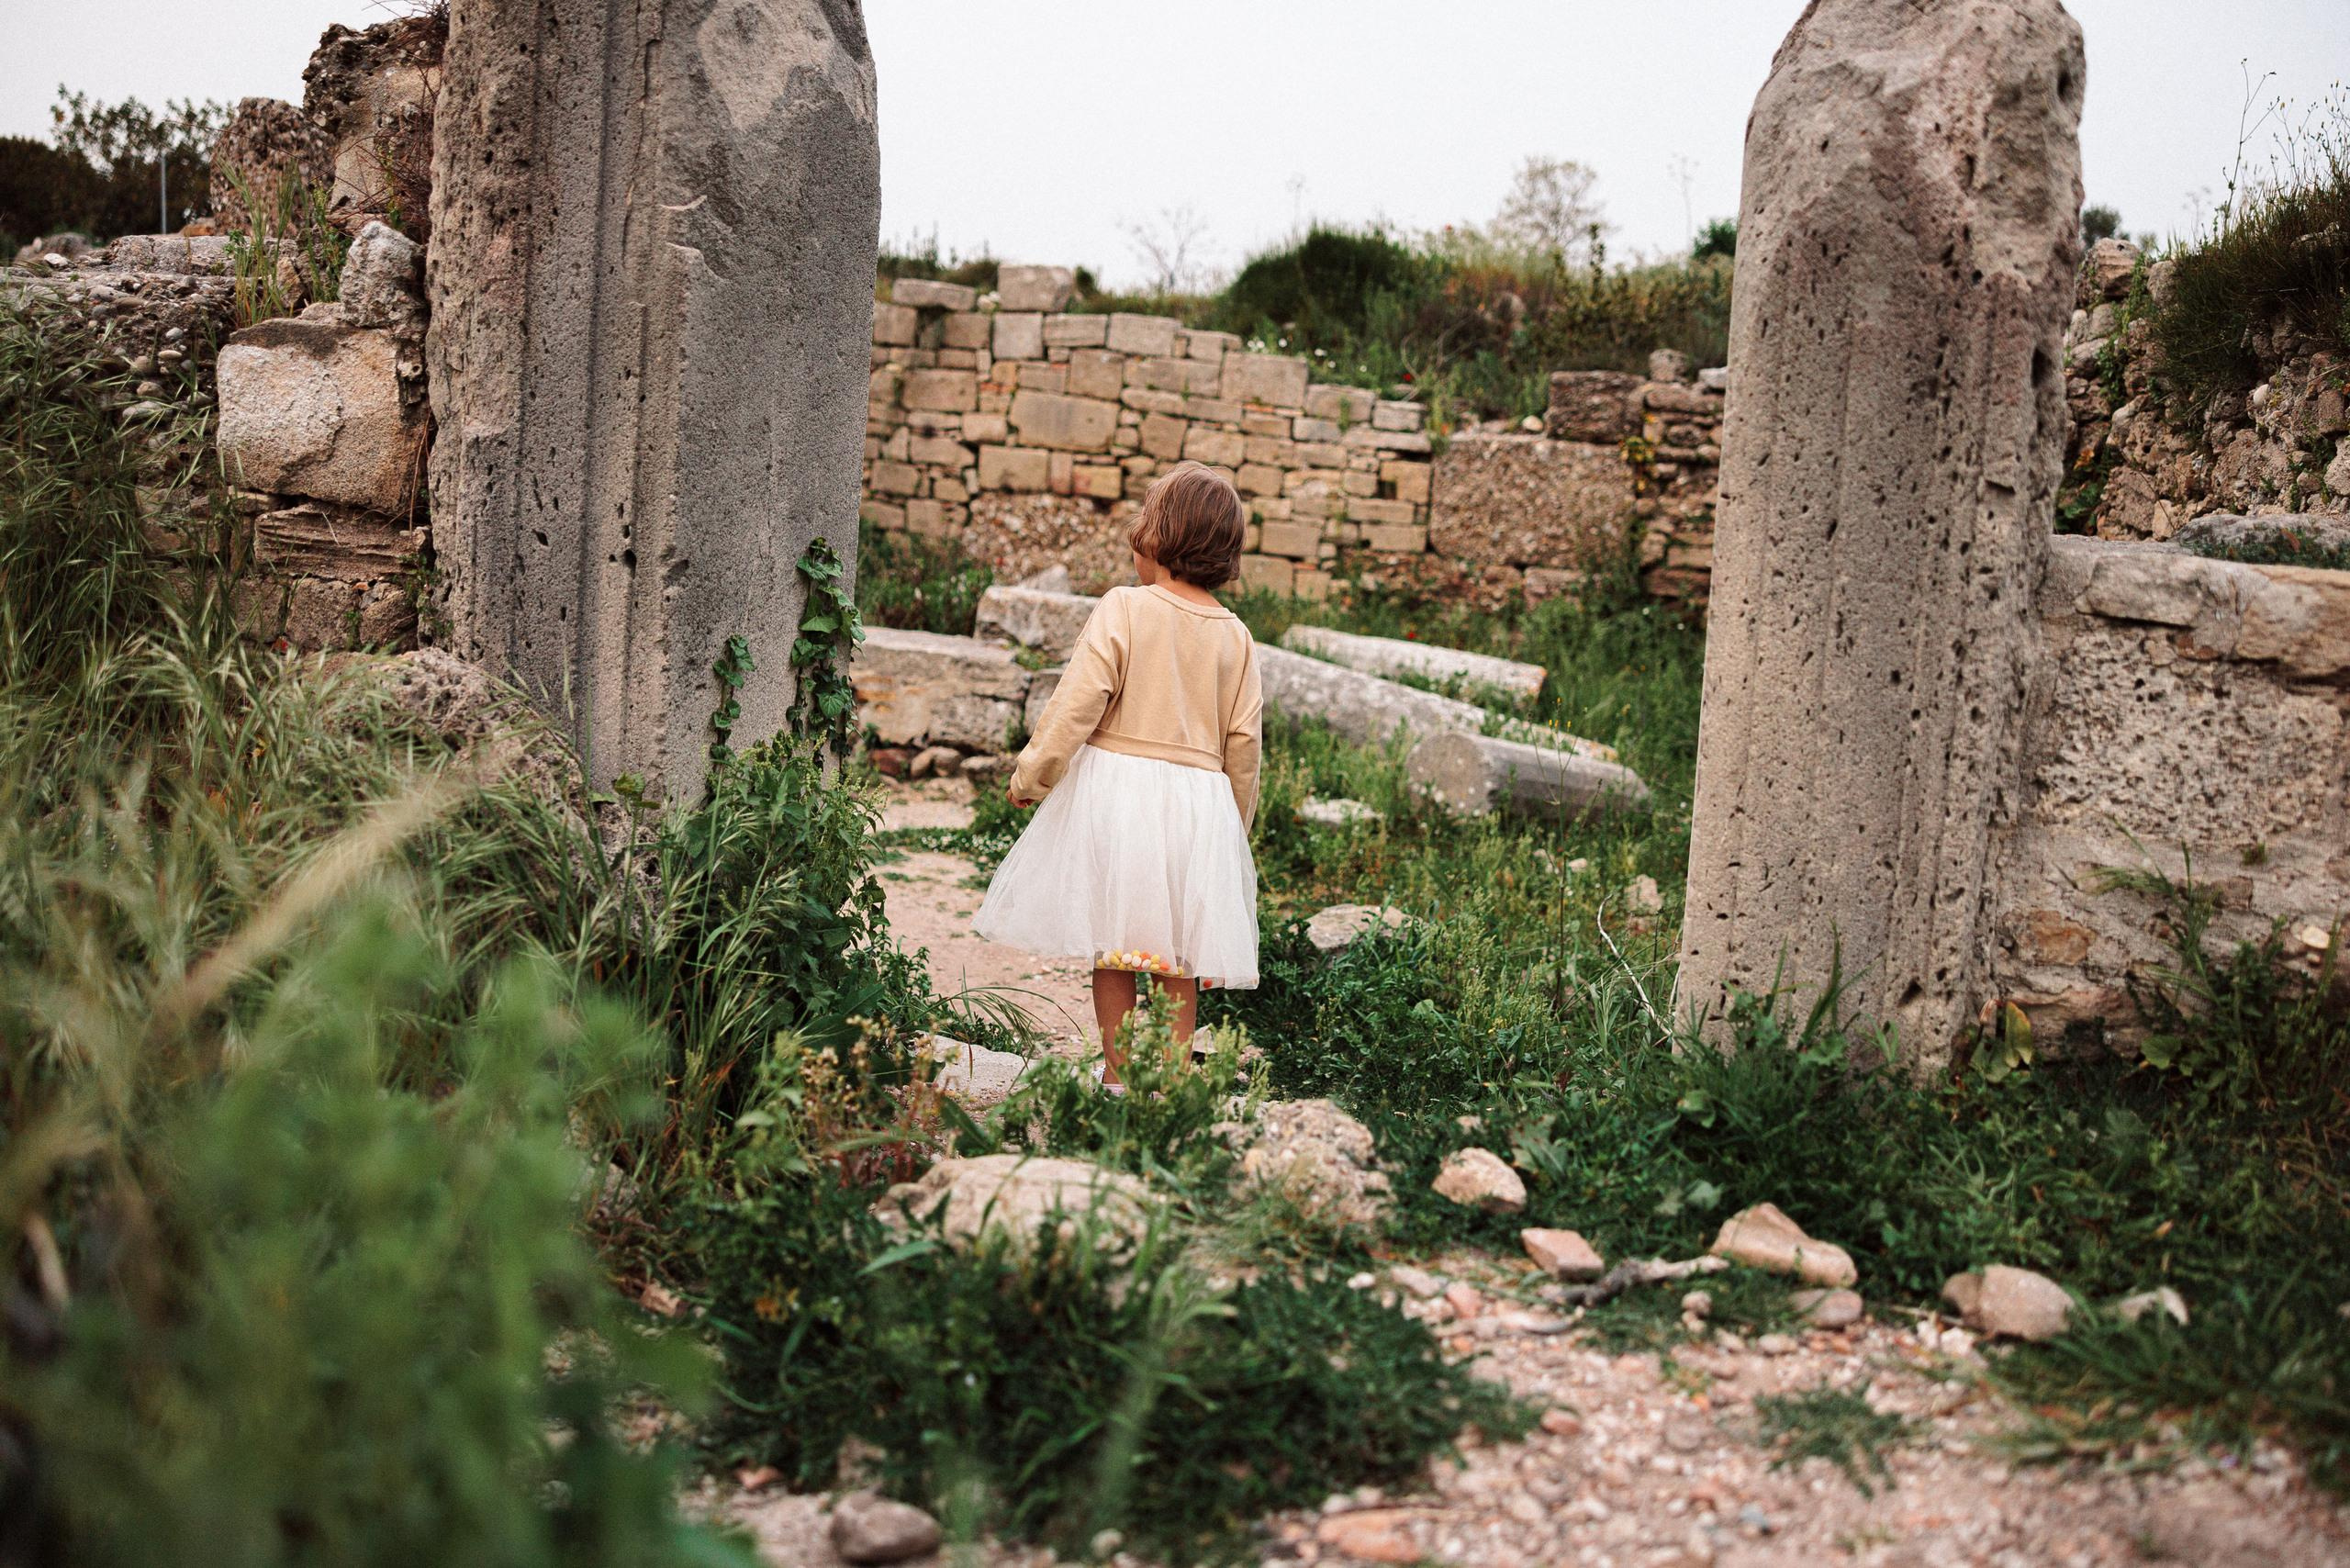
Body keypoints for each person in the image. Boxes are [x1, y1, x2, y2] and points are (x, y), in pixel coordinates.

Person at [973, 463, 1263, 1090]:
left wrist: (1033, 773)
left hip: (1122, 797)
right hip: (1199, 805)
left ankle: (1118, 1076)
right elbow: (1244, 746)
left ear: (1158, 539)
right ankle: (1175, 1083)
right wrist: (1231, 837)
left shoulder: (1125, 609)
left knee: (1116, 947)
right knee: (1178, 957)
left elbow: (1079, 700)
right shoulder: (1236, 638)